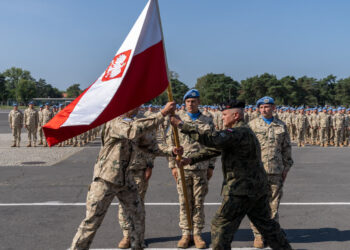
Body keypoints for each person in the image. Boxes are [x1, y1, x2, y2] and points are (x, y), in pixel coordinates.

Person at [170, 99, 292, 250]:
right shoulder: (240, 133)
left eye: (225, 114)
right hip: (255, 189)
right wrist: (191, 159)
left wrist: (182, 125)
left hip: (241, 190)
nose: (222, 117)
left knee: (220, 226)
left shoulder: (239, 132)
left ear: (235, 116)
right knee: (268, 226)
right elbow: (216, 149)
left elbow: (213, 139)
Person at [70, 102, 180, 250]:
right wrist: (162, 113)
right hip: (106, 179)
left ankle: (137, 245)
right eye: (134, 104)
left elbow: (149, 146)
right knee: (92, 221)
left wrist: (171, 151)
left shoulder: (134, 123)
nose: (137, 106)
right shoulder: (115, 122)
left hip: (126, 179)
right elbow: (133, 131)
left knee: (137, 216)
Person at [167, 89, 215, 249]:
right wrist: (172, 165)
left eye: (194, 101)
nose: (191, 104)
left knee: (199, 202)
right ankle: (186, 233)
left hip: (201, 167)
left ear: (199, 102)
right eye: (188, 101)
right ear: (184, 102)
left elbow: (212, 144)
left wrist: (211, 166)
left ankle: (197, 233)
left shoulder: (208, 119)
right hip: (182, 168)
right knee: (184, 202)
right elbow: (171, 143)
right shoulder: (177, 118)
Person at [248, 96, 293, 248]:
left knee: (273, 204)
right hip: (257, 171)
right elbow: (246, 149)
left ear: (273, 108)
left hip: (276, 170)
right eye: (261, 107)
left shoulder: (281, 125)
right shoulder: (252, 125)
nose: (264, 109)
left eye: (267, 107)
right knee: (256, 204)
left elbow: (286, 148)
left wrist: (286, 168)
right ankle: (258, 235)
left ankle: (271, 233)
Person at [117, 109, 158, 249]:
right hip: (123, 169)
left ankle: (138, 237)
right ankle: (126, 235)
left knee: (138, 204)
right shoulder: (118, 119)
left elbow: (151, 144)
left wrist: (149, 165)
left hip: (139, 169)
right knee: (123, 205)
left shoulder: (145, 120)